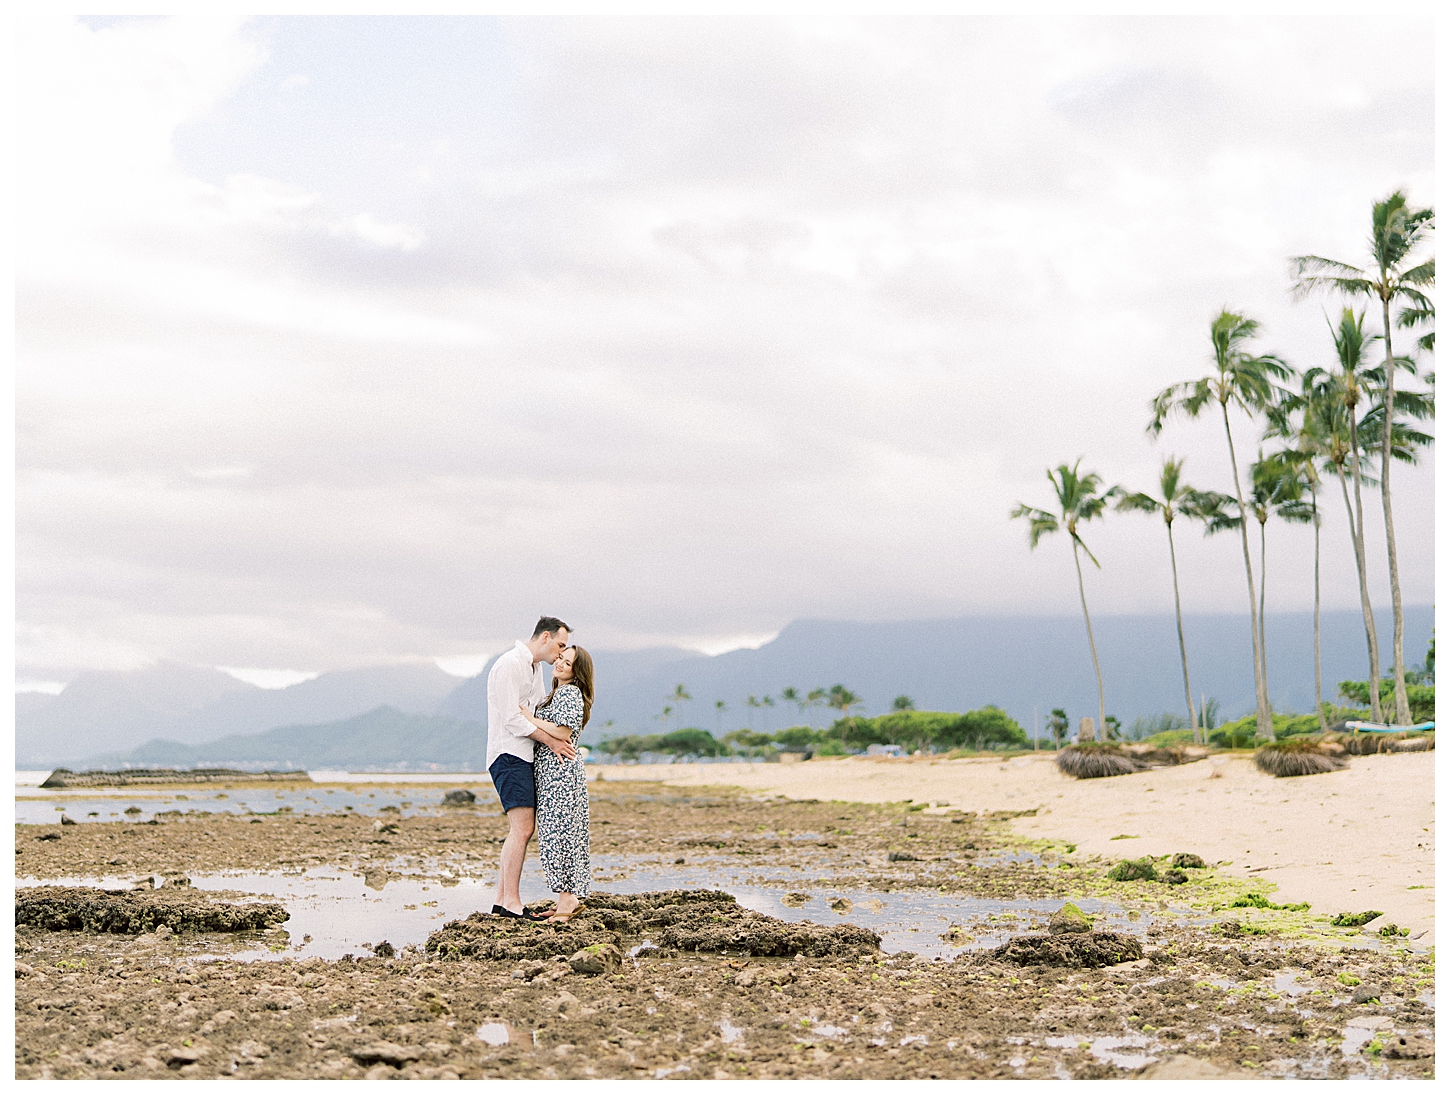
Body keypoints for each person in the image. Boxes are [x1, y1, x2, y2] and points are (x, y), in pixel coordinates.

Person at [486, 616, 574, 918]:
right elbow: (512, 718)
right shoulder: (510, 664)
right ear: (545, 637)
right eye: (560, 645)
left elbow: (533, 712)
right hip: (508, 755)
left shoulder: (533, 668)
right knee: (522, 829)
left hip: (523, 756)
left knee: (523, 829)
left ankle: (504, 900)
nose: (560, 653)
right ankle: (508, 901)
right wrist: (550, 742)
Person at [518, 645, 595, 921]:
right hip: (551, 775)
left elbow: (563, 731)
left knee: (562, 836)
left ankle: (567, 901)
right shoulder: (558, 693)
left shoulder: (571, 693)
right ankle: (567, 897)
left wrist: (529, 718)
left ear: (578, 671)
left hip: (561, 775)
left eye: (568, 662)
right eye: (561, 658)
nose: (560, 663)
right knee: (555, 835)